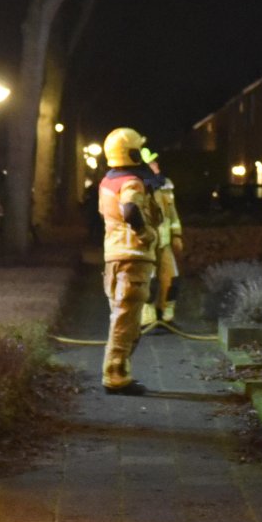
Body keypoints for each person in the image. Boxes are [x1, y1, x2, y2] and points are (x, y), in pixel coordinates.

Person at [96, 127, 162, 395]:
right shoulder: (131, 182)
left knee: (123, 318)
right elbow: (131, 209)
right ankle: (115, 377)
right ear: (132, 153)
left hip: (115, 257)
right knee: (126, 322)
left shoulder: (107, 181)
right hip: (132, 257)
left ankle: (119, 373)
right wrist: (146, 234)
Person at [143, 148, 185, 327]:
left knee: (172, 278)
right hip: (147, 243)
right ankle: (147, 319)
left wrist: (177, 235)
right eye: (152, 163)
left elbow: (172, 213)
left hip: (164, 243)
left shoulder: (165, 185)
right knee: (149, 281)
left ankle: (166, 316)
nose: (156, 165)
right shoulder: (137, 187)